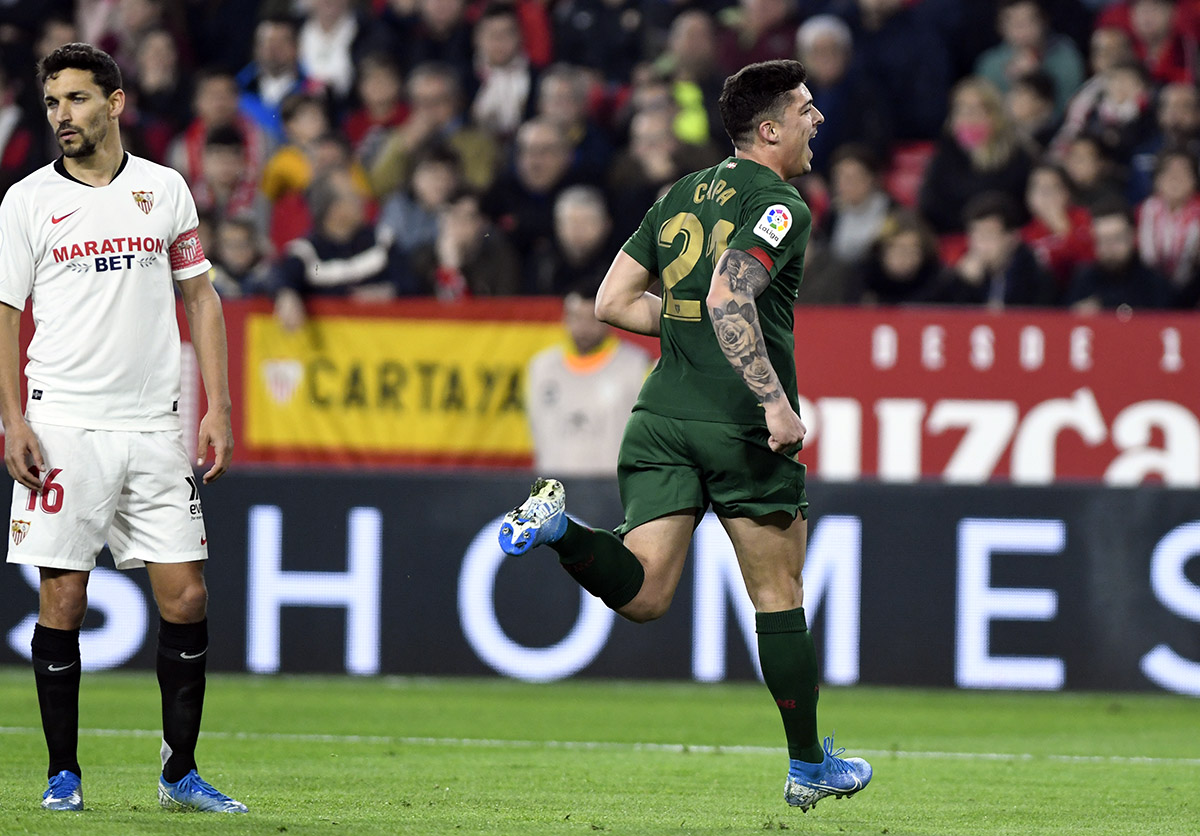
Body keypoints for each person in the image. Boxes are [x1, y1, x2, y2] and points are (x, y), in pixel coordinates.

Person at [496, 59, 871, 810]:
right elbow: (734, 291)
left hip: (660, 417)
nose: (816, 119)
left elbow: (610, 300)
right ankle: (807, 765)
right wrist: (773, 402)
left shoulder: (678, 195)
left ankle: (559, 527)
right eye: (804, 109)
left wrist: (689, 330)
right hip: (739, 428)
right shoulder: (781, 204)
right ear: (770, 129)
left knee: (644, 594)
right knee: (778, 591)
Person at [0, 43, 245, 813]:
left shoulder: (164, 190)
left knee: (187, 598)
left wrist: (219, 403)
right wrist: (13, 421)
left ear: (114, 103)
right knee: (64, 602)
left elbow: (200, 297)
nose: (61, 116)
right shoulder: (27, 201)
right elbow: (5, 317)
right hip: (64, 421)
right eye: (51, 103)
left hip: (153, 424)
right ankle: (62, 775)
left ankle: (180, 772)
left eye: (75, 100)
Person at [525, 285, 651, 477]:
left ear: (607, 318)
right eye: (577, 318)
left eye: (592, 319)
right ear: (565, 319)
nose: (584, 328)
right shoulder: (541, 369)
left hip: (613, 492)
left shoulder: (636, 366)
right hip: (553, 494)